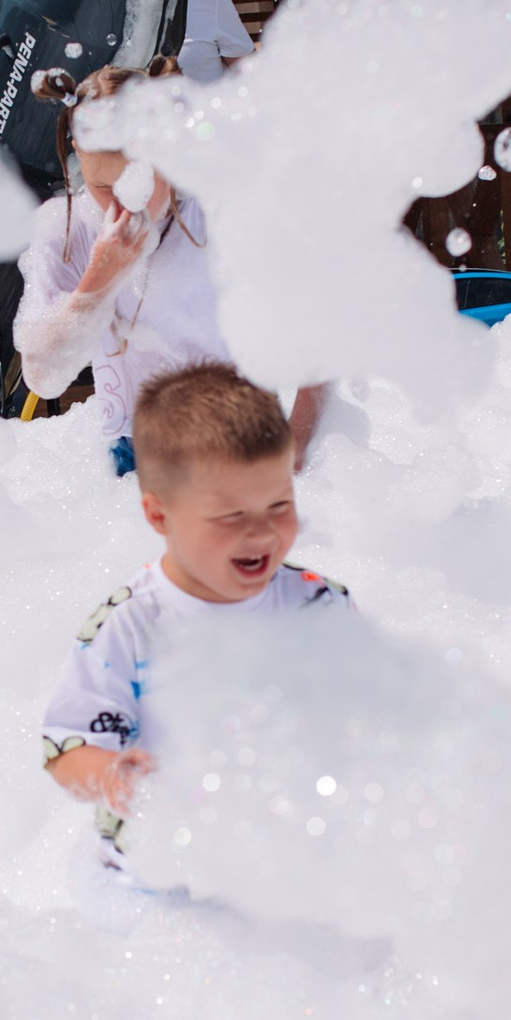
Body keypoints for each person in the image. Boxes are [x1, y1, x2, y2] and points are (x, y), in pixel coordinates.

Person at [41, 361, 349, 891]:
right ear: (159, 516)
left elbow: (365, 714)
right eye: (230, 515)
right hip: (161, 874)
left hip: (283, 862)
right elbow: (68, 744)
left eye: (279, 504)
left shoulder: (318, 604)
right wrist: (111, 775)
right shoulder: (131, 625)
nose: (261, 534)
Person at [13, 65, 323, 470]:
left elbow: (317, 333)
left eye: (134, 182)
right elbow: (42, 376)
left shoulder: (221, 213)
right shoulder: (67, 230)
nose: (119, 207)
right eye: (101, 187)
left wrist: (295, 442)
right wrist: (99, 280)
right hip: (133, 453)